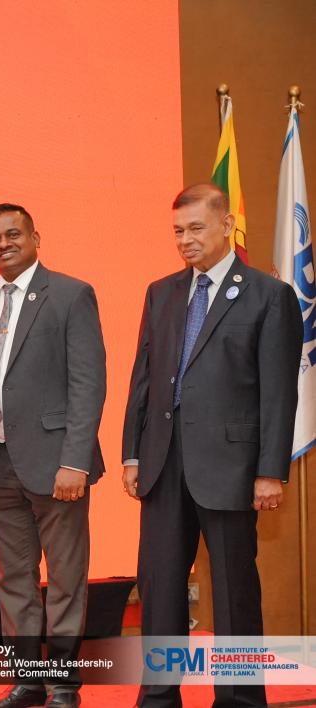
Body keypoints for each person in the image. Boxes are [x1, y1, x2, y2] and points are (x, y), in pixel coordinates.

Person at [122, 183, 303, 708]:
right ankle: (159, 697)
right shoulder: (161, 292)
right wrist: (133, 452)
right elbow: (144, 378)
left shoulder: (268, 295)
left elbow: (279, 392)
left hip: (232, 466)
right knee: (160, 589)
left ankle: (239, 699)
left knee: (233, 591)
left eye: (196, 228)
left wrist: (270, 471)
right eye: (178, 230)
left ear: (227, 225)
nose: (185, 239)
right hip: (162, 463)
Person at [0, 204, 106, 708]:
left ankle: (64, 686)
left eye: (13, 234)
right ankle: (28, 682)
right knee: (13, 578)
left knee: (65, 578)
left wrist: (76, 461)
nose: (3, 244)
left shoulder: (71, 294)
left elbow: (88, 384)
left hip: (58, 464)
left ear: (37, 237)